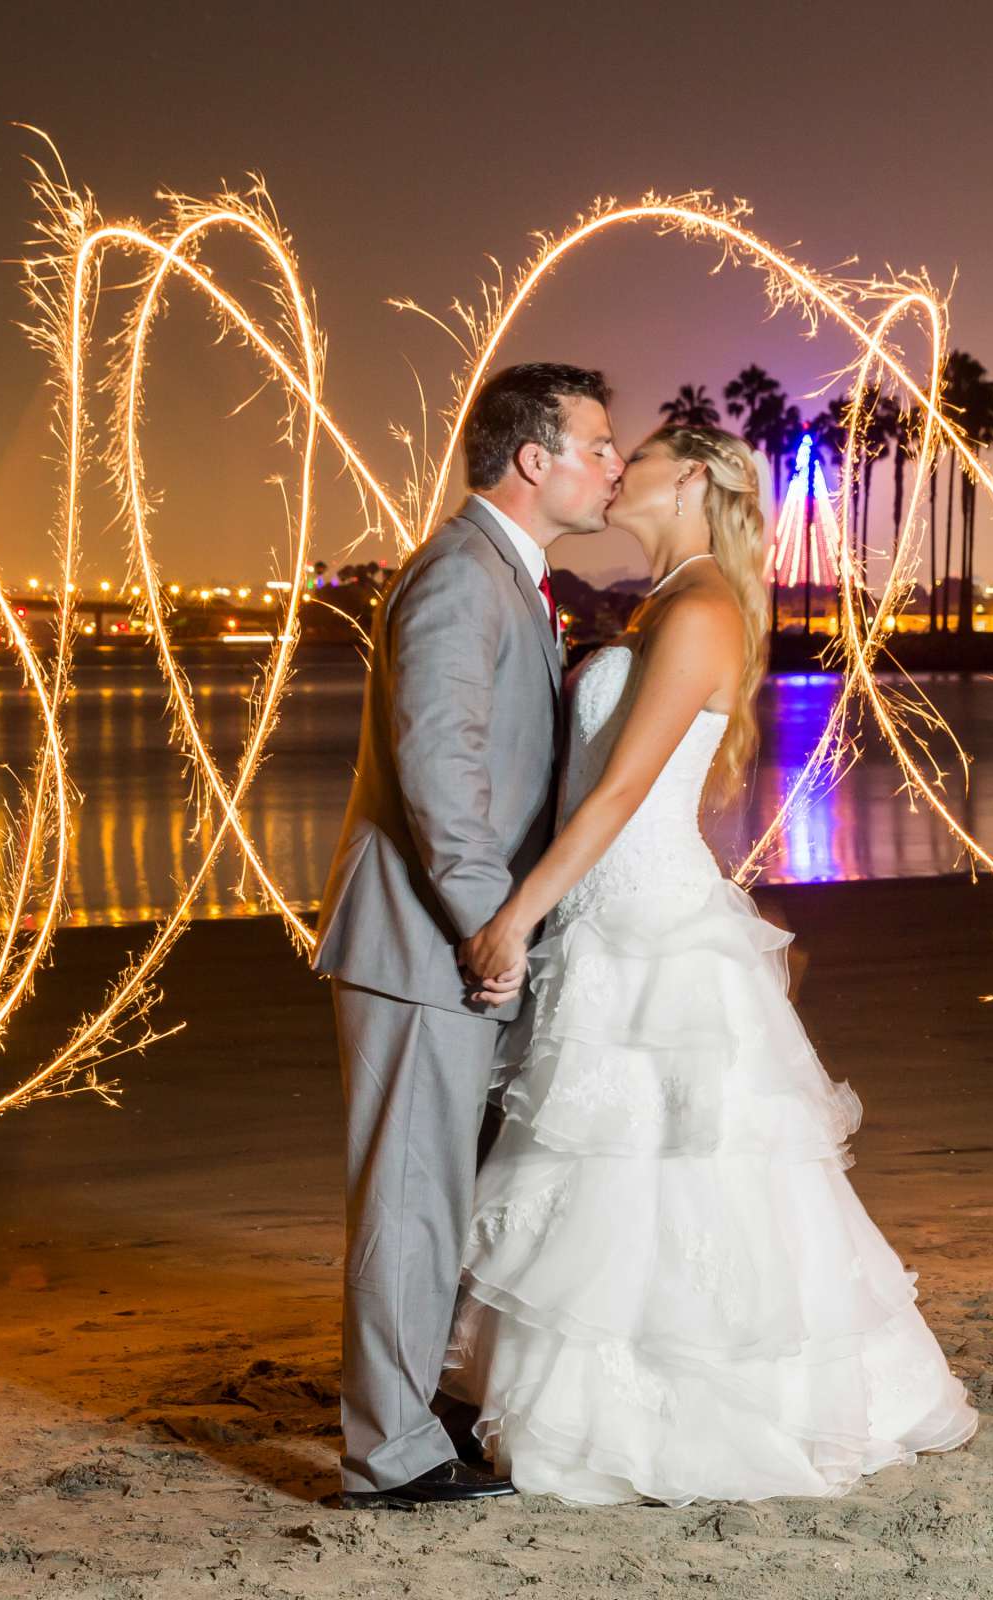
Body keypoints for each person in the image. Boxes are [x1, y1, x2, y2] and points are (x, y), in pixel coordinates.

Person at [444, 422, 978, 1505]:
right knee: (614, 1166)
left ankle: (687, 1413)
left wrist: (516, 915)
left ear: (689, 477)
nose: (610, 467)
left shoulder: (696, 611)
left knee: (669, 1165)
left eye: (626, 453)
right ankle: (580, 1392)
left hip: (647, 927)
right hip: (615, 916)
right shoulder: (662, 604)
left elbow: (624, 793)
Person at [311, 362, 622, 1509]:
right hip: (422, 942)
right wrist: (492, 929)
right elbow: (443, 773)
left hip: (460, 937)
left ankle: (412, 1405)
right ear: (533, 459)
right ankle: (387, 1457)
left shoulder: (513, 579)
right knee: (407, 1194)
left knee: (442, 1188)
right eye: (598, 443)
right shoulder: (458, 576)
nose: (614, 463)